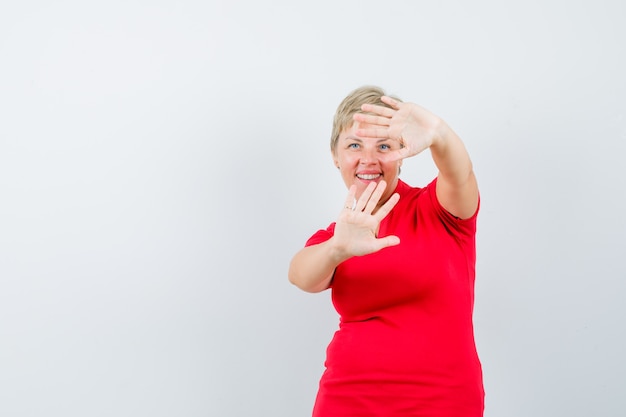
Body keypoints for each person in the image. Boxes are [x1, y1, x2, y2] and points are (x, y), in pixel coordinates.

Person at [288, 85, 484, 416]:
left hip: (442, 401)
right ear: (335, 156)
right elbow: (300, 275)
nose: (368, 159)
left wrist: (440, 134)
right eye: (354, 145)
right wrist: (338, 248)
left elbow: (460, 174)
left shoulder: (438, 209)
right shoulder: (340, 234)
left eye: (383, 146)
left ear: (403, 152)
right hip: (347, 400)